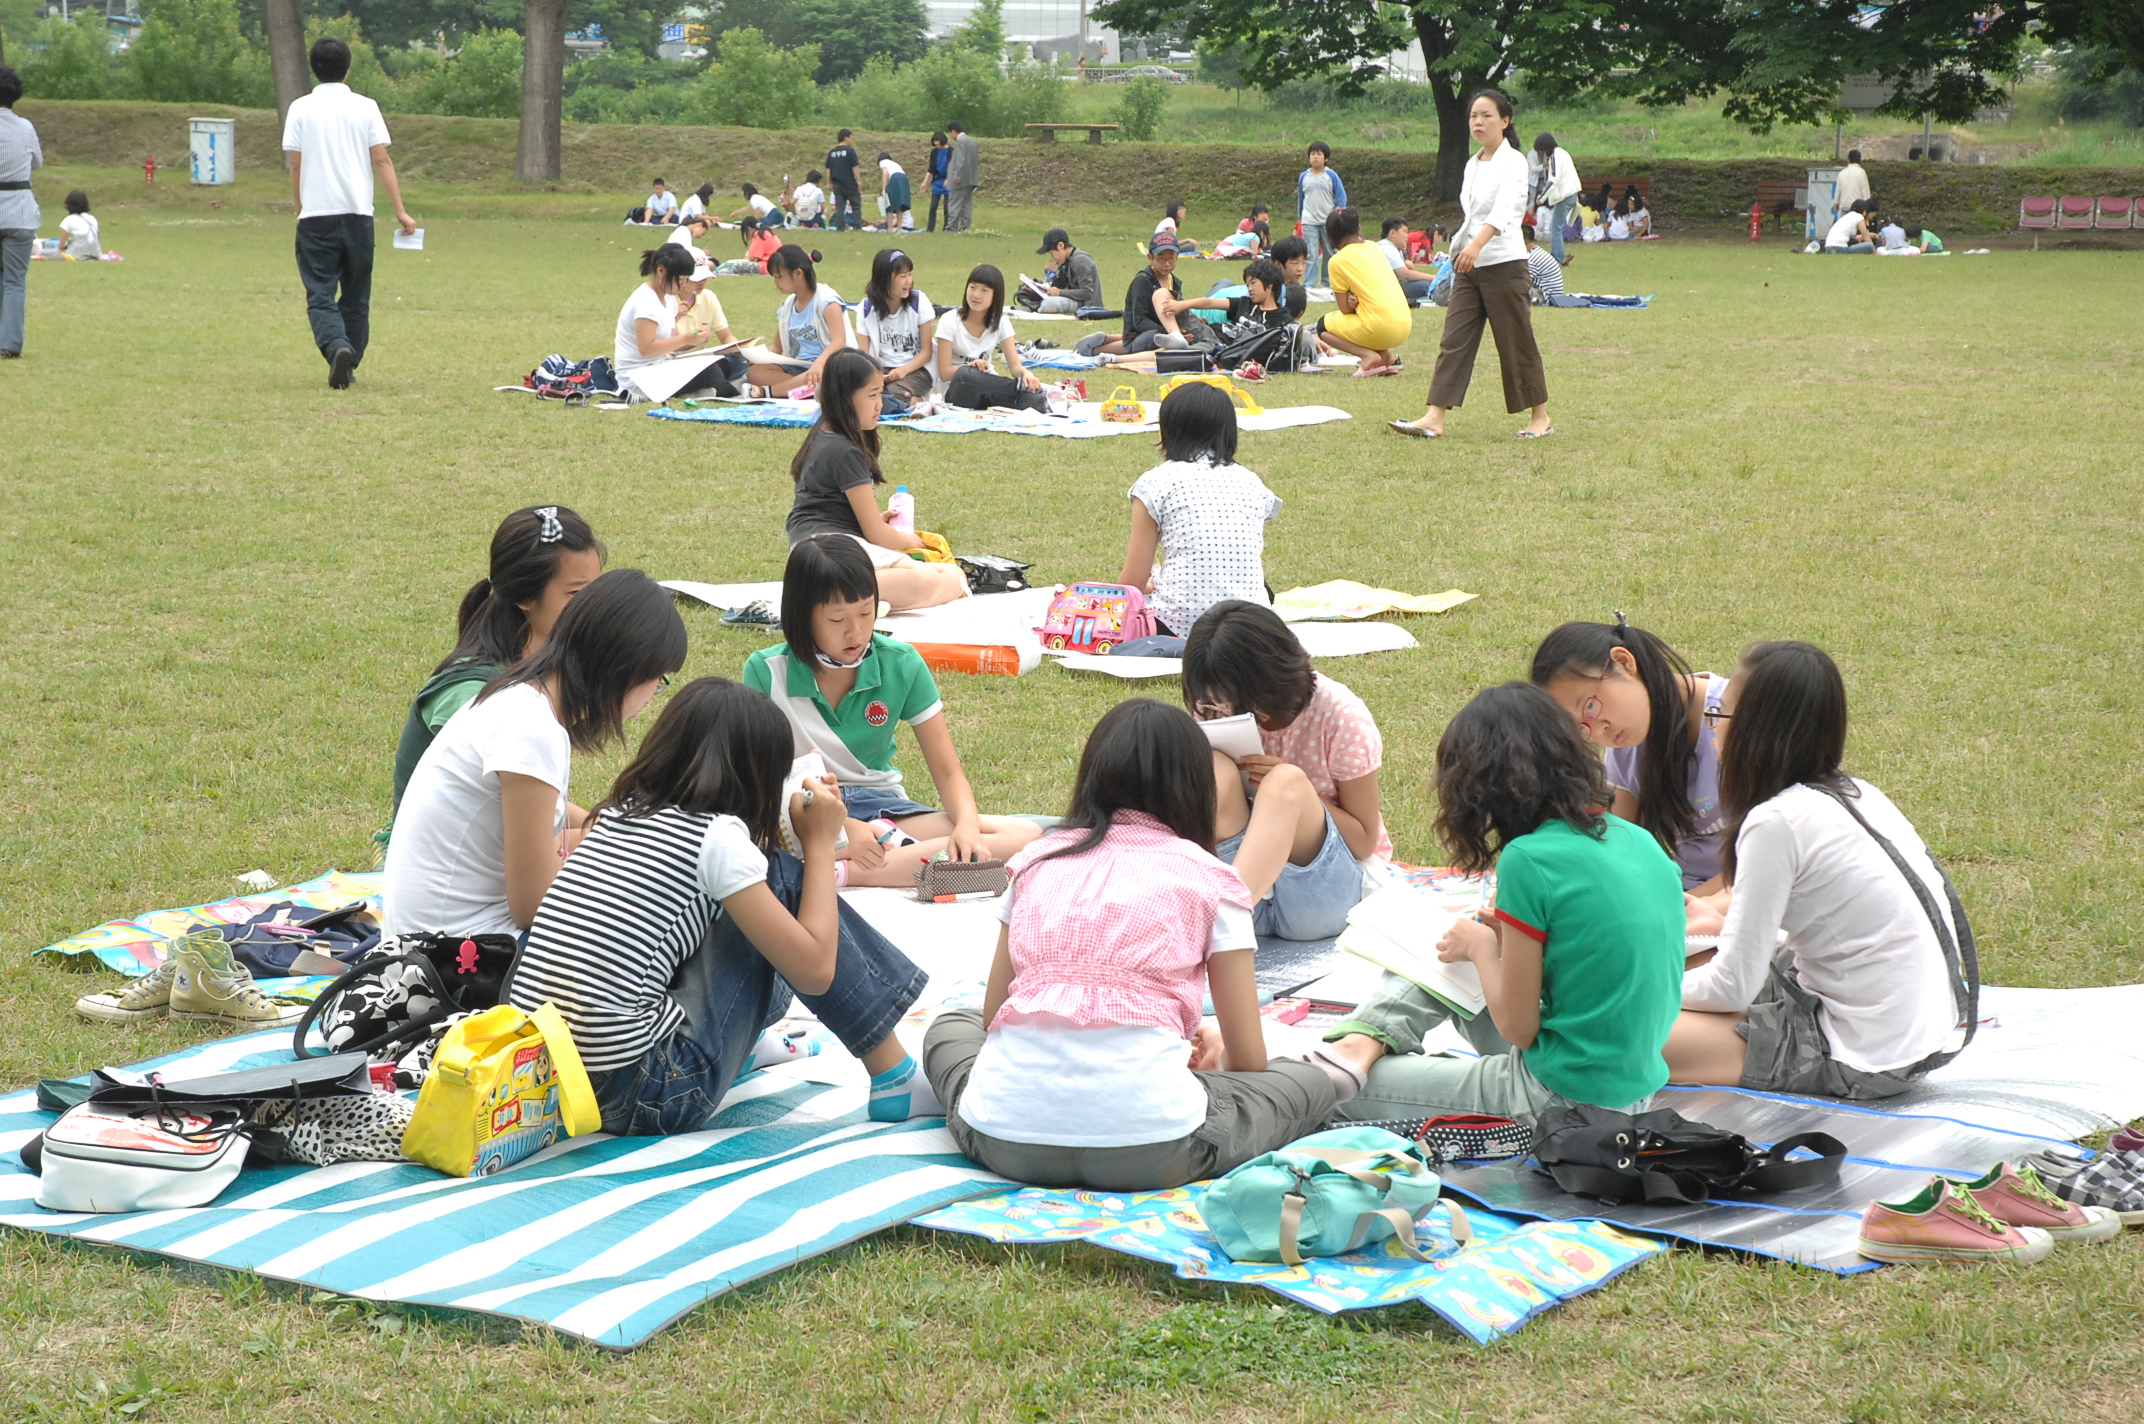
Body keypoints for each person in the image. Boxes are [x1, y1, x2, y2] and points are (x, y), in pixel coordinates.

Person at [919, 699, 1347, 1191]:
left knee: (953, 1026)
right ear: (1196, 788)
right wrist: (1208, 1053)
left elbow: (994, 1015)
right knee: (1308, 1082)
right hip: (1156, 1149)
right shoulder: (1214, 881)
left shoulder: (1036, 862)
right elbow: (1249, 1060)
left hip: (1002, 1141)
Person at [505, 677, 938, 1135]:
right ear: (758, 778)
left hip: (549, 1083)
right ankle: (894, 1075)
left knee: (745, 895)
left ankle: (743, 1048)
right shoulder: (717, 841)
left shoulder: (619, 813)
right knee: (781, 880)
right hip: (649, 1092)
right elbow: (815, 969)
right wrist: (818, 844)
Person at [1323, 681, 1685, 1124]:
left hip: (1557, 1101)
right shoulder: (1638, 840)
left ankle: (1356, 1048)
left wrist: (1481, 948)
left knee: (1334, 1094)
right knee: (1452, 947)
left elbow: (1518, 1028)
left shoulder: (1529, 861)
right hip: (1633, 1090)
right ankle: (1363, 1041)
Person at [1667, 642, 1971, 1100]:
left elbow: (1732, 988)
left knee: (1612, 1031)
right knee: (1690, 965)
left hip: (1865, 1056)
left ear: (1756, 730)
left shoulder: (1775, 822)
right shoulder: (1858, 793)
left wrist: (1636, 990)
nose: (1711, 735)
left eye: (1720, 717)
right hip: (1918, 1029)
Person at [383, 569, 686, 939]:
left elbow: (545, 837)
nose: (655, 695)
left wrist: (620, 832)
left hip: (442, 943)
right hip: (456, 960)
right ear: (626, 668)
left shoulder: (520, 699)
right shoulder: (532, 728)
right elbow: (533, 906)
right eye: (660, 679)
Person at [743, 534, 1041, 885]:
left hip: (880, 805)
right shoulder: (766, 671)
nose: (856, 632)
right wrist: (842, 826)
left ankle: (841, 872)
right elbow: (756, 783)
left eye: (866, 612)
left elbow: (947, 772)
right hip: (804, 810)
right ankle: (870, 857)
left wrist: (967, 827)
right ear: (802, 616)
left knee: (1025, 836)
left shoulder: (900, 663)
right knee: (752, 844)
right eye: (837, 620)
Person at [1183, 602, 1386, 943]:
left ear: (1268, 685)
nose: (1219, 713)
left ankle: (1220, 919)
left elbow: (1365, 841)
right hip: (1248, 893)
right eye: (1209, 705)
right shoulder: (1211, 710)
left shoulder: (1339, 716)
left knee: (1285, 782)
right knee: (1214, 766)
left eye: (1232, 704)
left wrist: (1301, 794)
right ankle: (1222, 907)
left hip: (1322, 895)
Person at [391, 505, 604, 824]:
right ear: (525, 596)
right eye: (576, 593)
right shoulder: (469, 691)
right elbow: (507, 808)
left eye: (596, 591)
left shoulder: (542, 666)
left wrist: (598, 827)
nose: (594, 607)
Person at [1392, 90, 1552, 440]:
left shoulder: (1513, 163)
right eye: (1473, 116)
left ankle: (1540, 417)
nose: (1478, 122)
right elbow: (1471, 216)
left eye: (1487, 116)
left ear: (1505, 121)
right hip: (1467, 264)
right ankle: (1435, 416)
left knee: (1515, 341)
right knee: (1455, 339)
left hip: (1503, 263)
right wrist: (1461, 251)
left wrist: (1477, 246)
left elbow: (1507, 210)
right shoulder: (1471, 163)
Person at [1530, 616, 1726, 892]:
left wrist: (1679, 910)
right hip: (1682, 897)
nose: (1600, 731)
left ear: (1623, 662)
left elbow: (1766, 865)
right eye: (1581, 727)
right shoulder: (1627, 746)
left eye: (1591, 707)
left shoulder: (1734, 715)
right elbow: (1620, 847)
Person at [781, 351, 967, 611]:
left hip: (809, 554)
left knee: (934, 574)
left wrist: (876, 523)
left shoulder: (823, 433)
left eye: (881, 393)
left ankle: (843, 597)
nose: (880, 404)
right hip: (831, 551)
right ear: (844, 397)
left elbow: (829, 509)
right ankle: (840, 598)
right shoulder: (845, 450)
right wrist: (912, 541)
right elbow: (877, 536)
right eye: (872, 395)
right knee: (952, 578)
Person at [282, 37, 417, 390]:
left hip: (316, 217)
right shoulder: (366, 107)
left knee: (320, 293)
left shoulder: (299, 108)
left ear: (314, 68)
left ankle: (337, 347)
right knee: (356, 294)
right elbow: (381, 159)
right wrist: (400, 211)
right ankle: (350, 359)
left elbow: (295, 165)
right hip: (358, 215)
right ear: (347, 69)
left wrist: (300, 206)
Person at [1121, 384, 1282, 640]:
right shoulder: (1253, 483)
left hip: (1177, 627)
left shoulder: (1154, 484)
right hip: (1251, 627)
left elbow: (1131, 585)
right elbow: (1245, 559)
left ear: (1169, 430)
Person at [615, 245, 728, 395]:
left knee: (720, 364)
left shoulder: (668, 297)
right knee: (711, 373)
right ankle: (737, 395)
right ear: (661, 271)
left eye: (687, 279)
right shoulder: (646, 302)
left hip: (659, 365)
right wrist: (686, 338)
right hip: (638, 377)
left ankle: (713, 391)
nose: (683, 284)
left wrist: (694, 339)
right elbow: (647, 349)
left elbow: (670, 342)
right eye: (681, 279)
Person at [934, 263, 1046, 411]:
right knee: (965, 374)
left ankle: (1038, 400)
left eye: (984, 290)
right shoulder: (949, 320)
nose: (975, 295)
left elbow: (1015, 367)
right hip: (958, 392)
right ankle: (1020, 390)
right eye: (972, 287)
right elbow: (944, 372)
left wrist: (1026, 373)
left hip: (987, 390)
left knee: (1026, 400)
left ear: (995, 295)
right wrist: (970, 366)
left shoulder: (1001, 322)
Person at [1075, 241, 1214, 358]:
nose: (1167, 264)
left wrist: (1188, 324)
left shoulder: (1174, 281)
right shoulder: (1142, 281)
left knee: (1183, 337)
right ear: (1151, 257)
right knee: (1167, 342)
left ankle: (1105, 339)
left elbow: (1173, 313)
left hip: (1160, 332)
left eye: (1171, 258)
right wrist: (1171, 332)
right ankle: (1094, 350)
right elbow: (1139, 321)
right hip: (1138, 336)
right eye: (1161, 258)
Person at [1316, 207, 1411, 376]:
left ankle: (1367, 356)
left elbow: (1345, 309)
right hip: (1404, 324)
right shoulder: (1374, 247)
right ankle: (1385, 356)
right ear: (1358, 227)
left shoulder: (1337, 261)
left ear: (1330, 234)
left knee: (1322, 326)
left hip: (1380, 328)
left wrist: (1352, 303)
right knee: (1369, 317)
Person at [744, 245, 848, 398]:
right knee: (755, 372)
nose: (776, 282)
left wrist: (819, 363)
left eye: (779, 276)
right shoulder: (787, 306)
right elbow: (776, 347)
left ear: (798, 273)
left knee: (818, 376)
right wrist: (758, 359)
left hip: (827, 367)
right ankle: (808, 389)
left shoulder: (827, 301)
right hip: (799, 368)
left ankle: (770, 392)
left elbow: (839, 341)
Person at [856, 247, 937, 412]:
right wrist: (876, 376)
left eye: (910, 274)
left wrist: (902, 371)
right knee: (844, 391)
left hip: (915, 370)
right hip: (881, 371)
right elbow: (863, 356)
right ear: (884, 279)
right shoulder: (866, 309)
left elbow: (926, 352)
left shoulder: (919, 302)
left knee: (888, 396)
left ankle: (917, 400)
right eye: (902, 276)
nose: (909, 281)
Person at [0, 64, 38, 359]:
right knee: (14, 280)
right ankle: (10, 343)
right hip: (20, 211)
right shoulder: (25, 127)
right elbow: (37, 163)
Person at [1296, 141, 1346, 287]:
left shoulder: (1331, 175)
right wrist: (1301, 218)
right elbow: (1301, 198)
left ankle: (1327, 283)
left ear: (1326, 158)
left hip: (1328, 221)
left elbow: (1341, 197)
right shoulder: (1304, 177)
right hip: (1309, 221)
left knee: (1329, 253)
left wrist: (1336, 216)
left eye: (1319, 154)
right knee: (1311, 254)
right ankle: (1309, 284)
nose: (1315, 157)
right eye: (1312, 154)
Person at [1529, 132, 1581, 264]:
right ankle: (1560, 255)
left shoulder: (1554, 157)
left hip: (1564, 195)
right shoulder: (1563, 153)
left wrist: (1541, 197)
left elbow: (1554, 179)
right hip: (1572, 193)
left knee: (1555, 228)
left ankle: (1558, 257)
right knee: (1556, 226)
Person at [1032, 228, 1101, 314]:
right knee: (1039, 299)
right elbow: (1056, 286)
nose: (1052, 257)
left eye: (1052, 253)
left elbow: (1086, 292)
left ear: (1061, 246)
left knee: (1049, 303)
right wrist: (1050, 274)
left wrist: (1060, 292)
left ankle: (1035, 310)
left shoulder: (1081, 260)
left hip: (1087, 306)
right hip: (1075, 301)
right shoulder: (1066, 262)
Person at [1377, 215, 1438, 302]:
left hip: (1389, 286)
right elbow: (1406, 275)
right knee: (1424, 285)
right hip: (1386, 289)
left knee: (1423, 284)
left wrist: (1411, 262)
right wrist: (1433, 278)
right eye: (1404, 232)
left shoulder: (1392, 247)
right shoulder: (1388, 248)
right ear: (1393, 233)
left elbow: (1409, 270)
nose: (1407, 236)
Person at [945, 121, 980, 232]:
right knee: (966, 205)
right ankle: (965, 228)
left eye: (950, 133)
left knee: (954, 204)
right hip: (971, 178)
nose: (951, 136)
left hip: (960, 179)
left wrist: (957, 174)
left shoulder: (961, 141)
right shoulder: (972, 141)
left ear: (953, 131)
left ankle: (951, 228)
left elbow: (960, 159)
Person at [826, 130, 863, 232]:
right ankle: (857, 226)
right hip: (849, 182)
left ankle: (840, 226)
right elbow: (855, 167)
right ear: (846, 138)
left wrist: (829, 182)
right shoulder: (850, 151)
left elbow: (829, 169)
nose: (852, 139)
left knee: (840, 206)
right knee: (856, 204)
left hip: (837, 183)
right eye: (851, 137)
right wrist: (858, 180)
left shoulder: (832, 152)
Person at [1522, 225, 1564, 303]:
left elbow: (1523, 282)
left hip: (1547, 297)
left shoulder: (1530, 258)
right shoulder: (1537, 251)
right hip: (1553, 295)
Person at [58, 191, 101, 259]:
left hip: (76, 254)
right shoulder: (92, 218)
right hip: (95, 253)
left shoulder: (69, 219)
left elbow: (61, 246)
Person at [877, 153, 913, 231]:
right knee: (900, 205)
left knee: (890, 204)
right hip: (904, 178)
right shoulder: (894, 164)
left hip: (895, 178)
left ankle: (890, 228)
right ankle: (899, 228)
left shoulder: (883, 162)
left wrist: (883, 189)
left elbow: (885, 174)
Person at [924, 133, 951, 232]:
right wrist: (925, 182)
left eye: (938, 141)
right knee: (933, 207)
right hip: (937, 181)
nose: (936, 144)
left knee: (947, 208)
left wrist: (949, 179)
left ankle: (946, 229)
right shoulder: (934, 152)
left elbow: (954, 168)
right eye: (934, 142)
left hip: (948, 181)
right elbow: (930, 169)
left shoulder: (951, 151)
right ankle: (930, 229)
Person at [1835, 149, 1871, 217]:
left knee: (1845, 226)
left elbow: (1838, 190)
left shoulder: (1841, 173)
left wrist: (1836, 203)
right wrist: (1867, 206)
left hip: (1844, 205)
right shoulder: (1861, 172)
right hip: (1858, 207)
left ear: (1848, 160)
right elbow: (1865, 191)